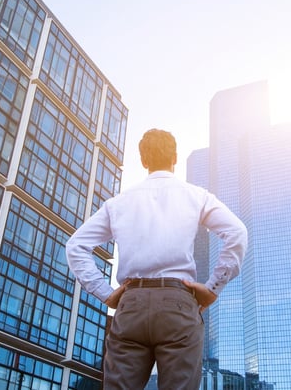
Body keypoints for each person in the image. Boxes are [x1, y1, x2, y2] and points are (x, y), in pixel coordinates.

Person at [66, 128, 248, 389]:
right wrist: (212, 289)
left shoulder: (118, 204)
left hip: (132, 305)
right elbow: (237, 233)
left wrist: (106, 293)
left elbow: (75, 246)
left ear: (144, 161)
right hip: (179, 304)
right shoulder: (196, 196)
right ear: (175, 158)